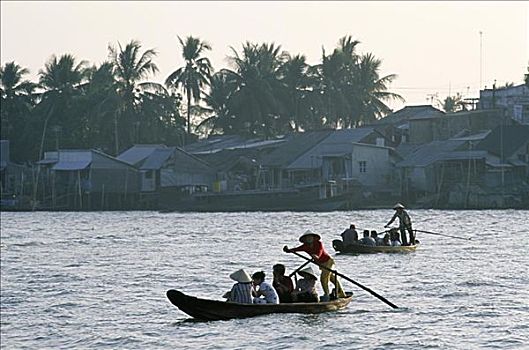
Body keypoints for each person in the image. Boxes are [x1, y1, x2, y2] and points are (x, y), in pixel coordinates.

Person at [283, 230, 346, 301]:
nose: (309, 239)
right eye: (307, 238)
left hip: (328, 261)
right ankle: (341, 292)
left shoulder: (318, 243)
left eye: (310, 237)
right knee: (331, 278)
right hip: (321, 264)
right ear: (305, 240)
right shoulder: (305, 246)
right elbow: (296, 249)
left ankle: (327, 294)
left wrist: (316, 256)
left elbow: (320, 251)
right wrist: (288, 250)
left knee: (324, 278)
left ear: (313, 238)